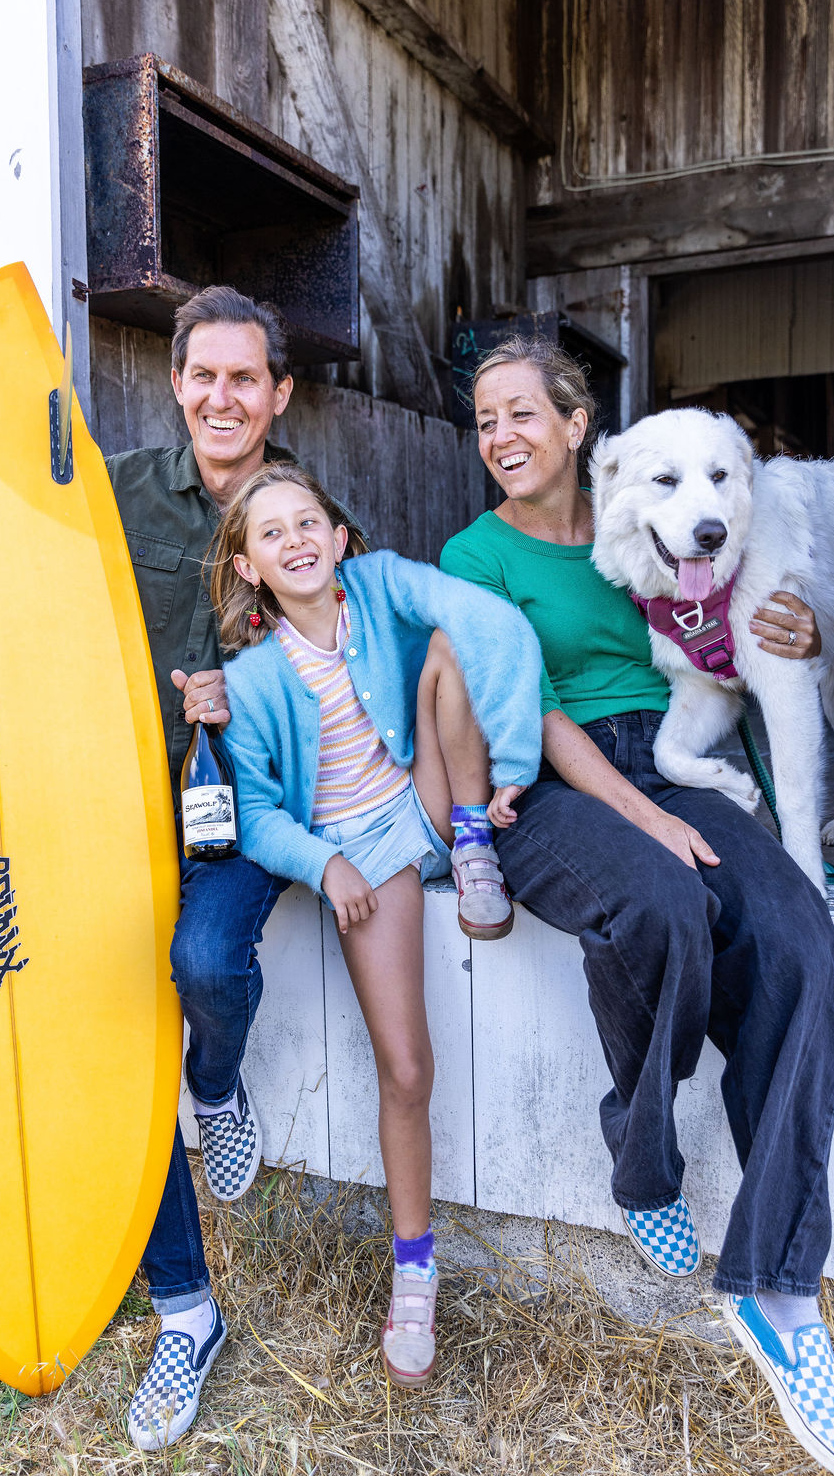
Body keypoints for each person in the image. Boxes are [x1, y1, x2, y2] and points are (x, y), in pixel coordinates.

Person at [0, 258, 321, 1449]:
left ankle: (218, 1083)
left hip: (248, 815)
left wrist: (257, 685)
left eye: (245, 378)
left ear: (278, 392)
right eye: (202, 375)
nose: (222, 396)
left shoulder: (304, 513)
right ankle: (186, 1308)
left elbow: (355, 660)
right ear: (176, 383)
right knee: (109, 1039)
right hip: (105, 821)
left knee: (205, 967)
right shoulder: (102, 492)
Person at [440, 334, 834, 1476]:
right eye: (485, 418)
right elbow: (520, 712)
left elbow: (768, 625)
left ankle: (779, 1291)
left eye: (522, 412)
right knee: (662, 903)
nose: (501, 436)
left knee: (797, 939)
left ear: (580, 427)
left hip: (685, 751)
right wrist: (649, 819)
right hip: (548, 780)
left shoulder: (669, 507)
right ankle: (642, 1162)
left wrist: (804, 632)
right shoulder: (475, 554)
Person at [207, 462, 543, 1385]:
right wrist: (327, 864)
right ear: (246, 568)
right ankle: (415, 1268)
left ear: (340, 533)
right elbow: (262, 812)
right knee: (407, 1062)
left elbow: (486, 625)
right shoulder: (256, 678)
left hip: (431, 798)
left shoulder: (382, 580)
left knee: (448, 633)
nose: (296, 540)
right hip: (364, 848)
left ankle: (477, 838)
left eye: (308, 520)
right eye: (270, 534)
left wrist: (512, 757)